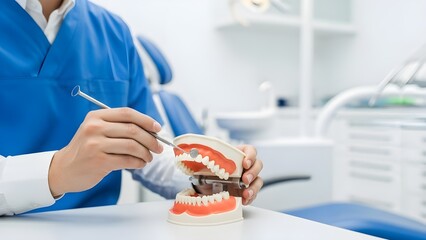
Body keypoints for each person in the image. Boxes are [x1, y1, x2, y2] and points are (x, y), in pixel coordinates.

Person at [0, 0, 263, 215]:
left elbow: (150, 151)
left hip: (100, 229)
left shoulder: (114, 33)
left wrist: (207, 178)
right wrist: (57, 172)